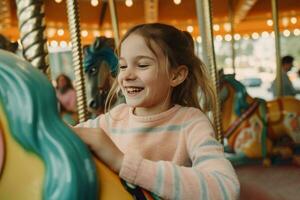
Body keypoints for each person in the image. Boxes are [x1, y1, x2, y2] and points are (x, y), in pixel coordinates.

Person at [74, 23, 240, 199]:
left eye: (142, 65)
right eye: (122, 66)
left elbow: (225, 188)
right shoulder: (113, 118)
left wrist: (122, 163)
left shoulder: (190, 122)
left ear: (175, 75)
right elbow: (60, 135)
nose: (127, 75)